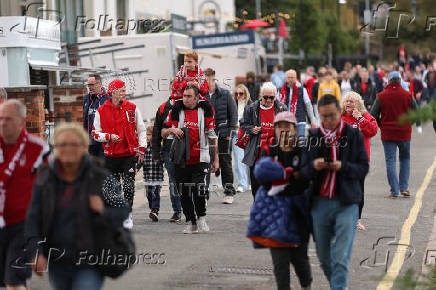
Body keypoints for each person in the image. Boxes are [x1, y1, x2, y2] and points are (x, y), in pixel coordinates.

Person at [25, 123, 129, 290]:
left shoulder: (100, 177)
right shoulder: (46, 178)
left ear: (84, 147)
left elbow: (122, 210)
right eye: (62, 145)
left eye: (73, 144)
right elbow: (33, 218)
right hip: (58, 261)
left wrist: (102, 210)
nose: (67, 149)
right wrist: (35, 251)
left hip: (91, 261)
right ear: (56, 148)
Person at [301, 94, 369, 290]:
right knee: (323, 257)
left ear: (339, 112)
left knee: (340, 257)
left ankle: (338, 287)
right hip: (320, 203)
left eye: (332, 115)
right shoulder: (314, 136)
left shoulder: (353, 135)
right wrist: (314, 165)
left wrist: (343, 166)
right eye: (323, 117)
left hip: (347, 203)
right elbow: (303, 171)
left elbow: (363, 168)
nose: (328, 121)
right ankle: (339, 286)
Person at [247, 111, 312, 290]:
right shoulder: (269, 150)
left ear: (294, 129)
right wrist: (289, 174)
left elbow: (307, 179)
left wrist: (284, 177)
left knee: (299, 258)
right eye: (279, 126)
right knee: (280, 262)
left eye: (287, 126)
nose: (283, 130)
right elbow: (261, 175)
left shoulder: (303, 151)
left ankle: (306, 285)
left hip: (299, 213)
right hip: (276, 213)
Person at [0, 100, 49, 290]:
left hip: (22, 226)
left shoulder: (38, 148)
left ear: (21, 121)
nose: (3, 123)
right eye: (1, 118)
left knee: (14, 282)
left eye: (8, 119)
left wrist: (40, 247)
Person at [163, 84, 219, 234]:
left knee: (199, 188)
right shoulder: (176, 110)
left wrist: (216, 159)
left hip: (201, 158)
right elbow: (162, 132)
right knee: (184, 192)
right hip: (181, 159)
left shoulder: (205, 109)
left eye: (189, 96)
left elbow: (213, 136)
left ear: (196, 97)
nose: (185, 99)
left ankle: (201, 218)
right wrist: (172, 129)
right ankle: (191, 222)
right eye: (184, 96)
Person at [92, 79, 147, 229]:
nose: (125, 93)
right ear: (113, 92)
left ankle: (128, 215)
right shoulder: (101, 110)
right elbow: (95, 134)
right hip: (110, 156)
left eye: (125, 90)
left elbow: (141, 130)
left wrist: (142, 148)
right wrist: (108, 136)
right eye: (122, 90)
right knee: (113, 188)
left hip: (129, 155)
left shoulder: (132, 108)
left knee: (129, 186)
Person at [371, 71, 419, 198]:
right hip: (404, 133)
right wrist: (409, 123)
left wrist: (382, 125)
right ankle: (404, 187)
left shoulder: (381, 96)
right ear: (400, 81)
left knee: (390, 161)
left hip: (388, 134)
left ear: (389, 81)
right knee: (405, 159)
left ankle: (394, 191)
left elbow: (373, 115)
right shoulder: (408, 95)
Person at [240, 82, 287, 198]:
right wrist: (251, 129)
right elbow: (243, 124)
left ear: (275, 96)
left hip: (275, 156)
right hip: (256, 155)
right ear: (261, 95)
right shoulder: (252, 108)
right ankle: (259, 209)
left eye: (271, 97)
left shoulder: (282, 108)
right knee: (256, 189)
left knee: (273, 189)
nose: (269, 100)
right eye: (265, 97)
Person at [341, 92, 378, 231]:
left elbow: (373, 131)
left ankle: (357, 220)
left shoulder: (365, 116)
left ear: (358, 104)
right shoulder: (340, 117)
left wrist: (360, 119)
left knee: (358, 191)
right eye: (347, 101)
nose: (349, 103)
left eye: (352, 101)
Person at [205, 68, 238, 204]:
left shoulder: (225, 94)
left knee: (225, 162)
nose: (206, 83)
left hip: (224, 134)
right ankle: (204, 194)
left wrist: (230, 133)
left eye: (208, 80)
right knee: (205, 162)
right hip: (207, 135)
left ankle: (229, 192)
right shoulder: (202, 95)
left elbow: (234, 114)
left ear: (213, 79)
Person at [152, 96, 182, 222]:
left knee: (186, 179)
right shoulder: (163, 108)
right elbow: (157, 131)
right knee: (172, 180)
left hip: (186, 149)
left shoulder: (186, 104)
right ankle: (177, 211)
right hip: (169, 150)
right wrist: (155, 154)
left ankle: (191, 209)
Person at [278, 70, 317, 138]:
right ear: (286, 78)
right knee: (288, 143)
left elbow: (308, 105)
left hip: (300, 120)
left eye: (292, 77)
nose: (290, 79)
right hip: (286, 121)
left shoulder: (302, 90)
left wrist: (312, 120)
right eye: (289, 77)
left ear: (296, 78)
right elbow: (278, 105)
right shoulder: (281, 90)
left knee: (301, 141)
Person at [83, 74, 109, 158]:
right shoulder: (86, 99)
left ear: (100, 84)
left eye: (92, 85)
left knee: (101, 167)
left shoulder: (108, 99)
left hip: (103, 142)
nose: (89, 87)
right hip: (89, 142)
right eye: (88, 85)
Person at [141, 124, 164, 222]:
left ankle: (155, 210)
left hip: (157, 175)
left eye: (149, 135)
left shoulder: (158, 148)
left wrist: (159, 160)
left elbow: (163, 159)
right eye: (146, 135)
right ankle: (152, 209)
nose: (147, 137)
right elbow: (140, 160)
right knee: (149, 194)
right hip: (147, 176)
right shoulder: (144, 148)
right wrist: (137, 167)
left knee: (155, 193)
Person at [232, 84, 252, 193]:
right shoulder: (232, 104)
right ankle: (241, 184)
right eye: (236, 94)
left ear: (245, 94)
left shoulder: (251, 105)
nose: (238, 96)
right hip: (236, 135)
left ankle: (249, 182)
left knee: (249, 160)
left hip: (248, 135)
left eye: (241, 93)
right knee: (239, 160)